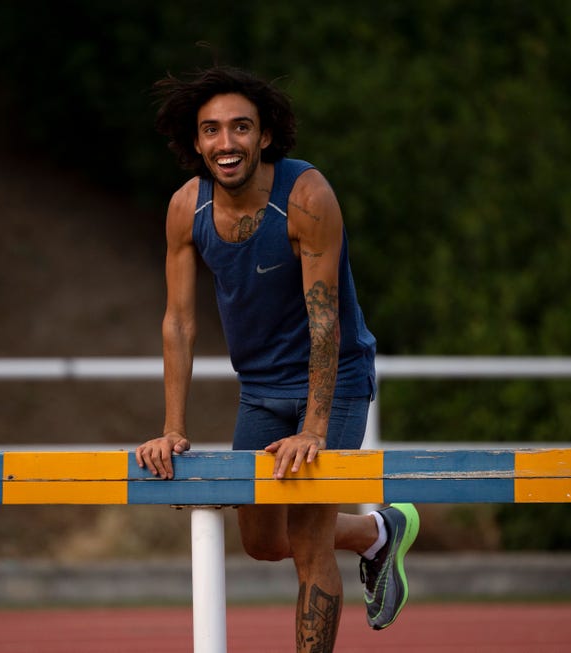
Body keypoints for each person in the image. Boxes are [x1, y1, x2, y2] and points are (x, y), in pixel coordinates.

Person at [135, 66, 419, 651]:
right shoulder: (186, 209)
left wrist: (315, 429)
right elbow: (180, 322)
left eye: (241, 128)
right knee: (262, 540)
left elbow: (325, 319)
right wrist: (172, 430)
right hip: (260, 388)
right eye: (211, 130)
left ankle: (356, 541)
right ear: (196, 142)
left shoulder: (306, 195)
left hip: (334, 382)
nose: (227, 142)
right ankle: (376, 532)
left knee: (309, 543)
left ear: (264, 136)